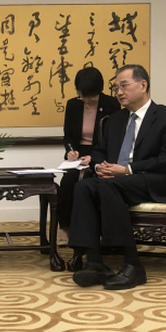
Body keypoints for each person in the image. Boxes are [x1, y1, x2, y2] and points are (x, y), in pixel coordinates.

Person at [69, 64, 166, 290]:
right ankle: (94, 262)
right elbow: (100, 151)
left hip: (153, 180)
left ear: (143, 85)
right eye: (116, 88)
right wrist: (99, 165)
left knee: (108, 187)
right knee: (83, 187)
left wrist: (127, 170)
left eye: (124, 86)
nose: (119, 92)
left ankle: (133, 265)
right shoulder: (115, 119)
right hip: (117, 181)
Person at [57, 67, 120, 245]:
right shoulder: (73, 105)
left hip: (101, 153)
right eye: (83, 96)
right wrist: (71, 151)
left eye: (91, 96)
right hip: (78, 155)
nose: (86, 100)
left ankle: (97, 229)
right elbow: (68, 136)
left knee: (93, 183)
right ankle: (65, 226)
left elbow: (113, 137)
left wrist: (94, 157)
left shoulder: (111, 104)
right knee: (68, 180)